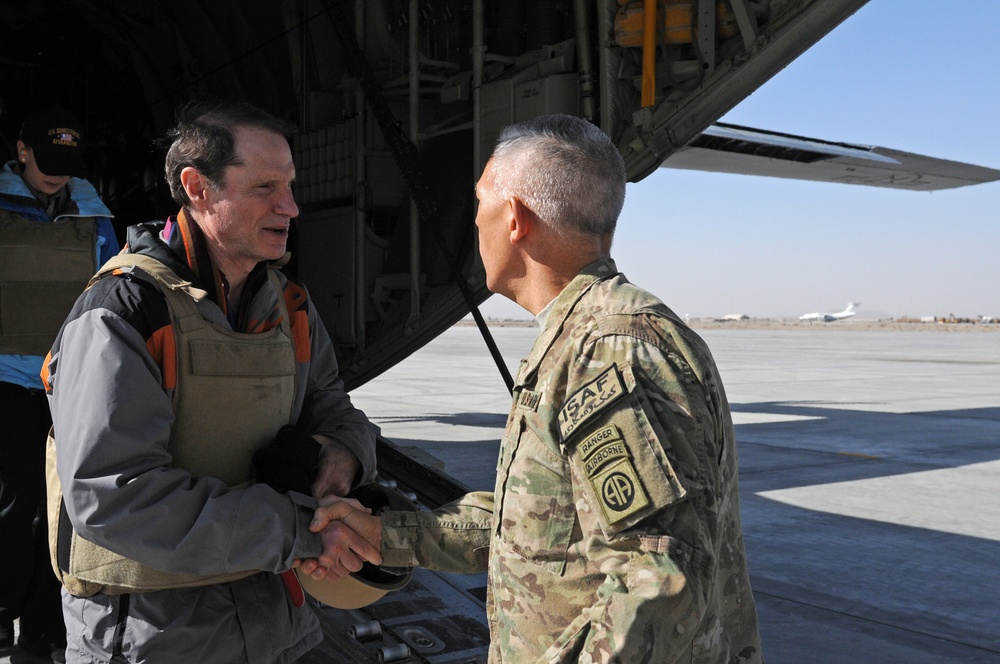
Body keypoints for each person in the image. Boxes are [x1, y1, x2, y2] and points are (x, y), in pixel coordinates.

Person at [316, 114, 765, 662]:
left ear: (513, 219)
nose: (472, 220)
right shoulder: (580, 338)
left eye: (480, 201)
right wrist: (387, 535)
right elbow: (537, 524)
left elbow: (655, 583)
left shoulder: (610, 350)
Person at [43, 101, 381, 664]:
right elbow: (113, 497)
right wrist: (299, 528)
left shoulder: (288, 305)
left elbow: (336, 410)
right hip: (155, 637)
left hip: (278, 626)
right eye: (265, 187)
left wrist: (345, 455)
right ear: (197, 187)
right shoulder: (123, 313)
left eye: (291, 185)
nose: (291, 207)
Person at [0, 105, 119, 661]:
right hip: (3, 381)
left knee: (63, 506)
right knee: (10, 504)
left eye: (66, 164)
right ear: (21, 151)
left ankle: (46, 629)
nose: (57, 174)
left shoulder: (93, 214)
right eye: (47, 161)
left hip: (64, 383)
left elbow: (108, 291)